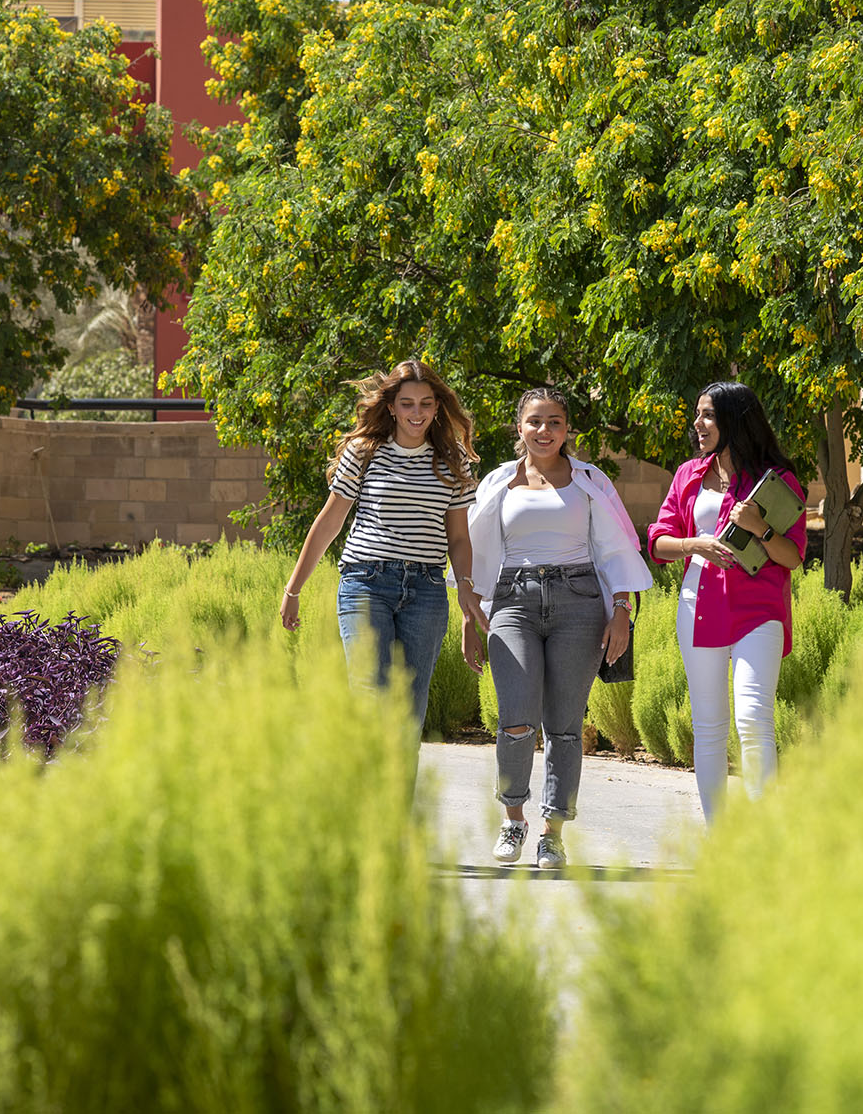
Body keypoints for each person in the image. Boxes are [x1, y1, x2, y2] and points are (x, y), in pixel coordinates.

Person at [463, 388, 651, 869]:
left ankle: (553, 832)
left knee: (565, 727)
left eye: (555, 422)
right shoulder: (498, 483)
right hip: (513, 601)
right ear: (518, 428)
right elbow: (473, 551)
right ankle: (512, 819)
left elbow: (618, 547)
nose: (544, 431)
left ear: (568, 430)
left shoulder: (590, 480)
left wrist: (621, 612)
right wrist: (469, 615)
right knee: (516, 719)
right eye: (534, 421)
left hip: (580, 603)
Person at [279, 360, 483, 727]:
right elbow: (330, 521)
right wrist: (293, 589)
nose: (416, 412)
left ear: (437, 406)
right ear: (391, 406)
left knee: (407, 711)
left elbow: (458, 537)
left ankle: (397, 787)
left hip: (427, 589)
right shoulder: (365, 450)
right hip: (367, 583)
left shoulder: (454, 460)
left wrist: (465, 586)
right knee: (371, 698)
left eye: (425, 403)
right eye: (407, 403)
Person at [645, 382, 808, 824]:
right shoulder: (688, 475)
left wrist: (759, 527)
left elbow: (793, 556)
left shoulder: (777, 481)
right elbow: (658, 542)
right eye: (698, 414)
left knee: (754, 717)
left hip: (759, 612)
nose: (698, 424)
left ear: (736, 420)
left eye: (709, 416)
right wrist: (694, 544)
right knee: (710, 728)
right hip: (699, 609)